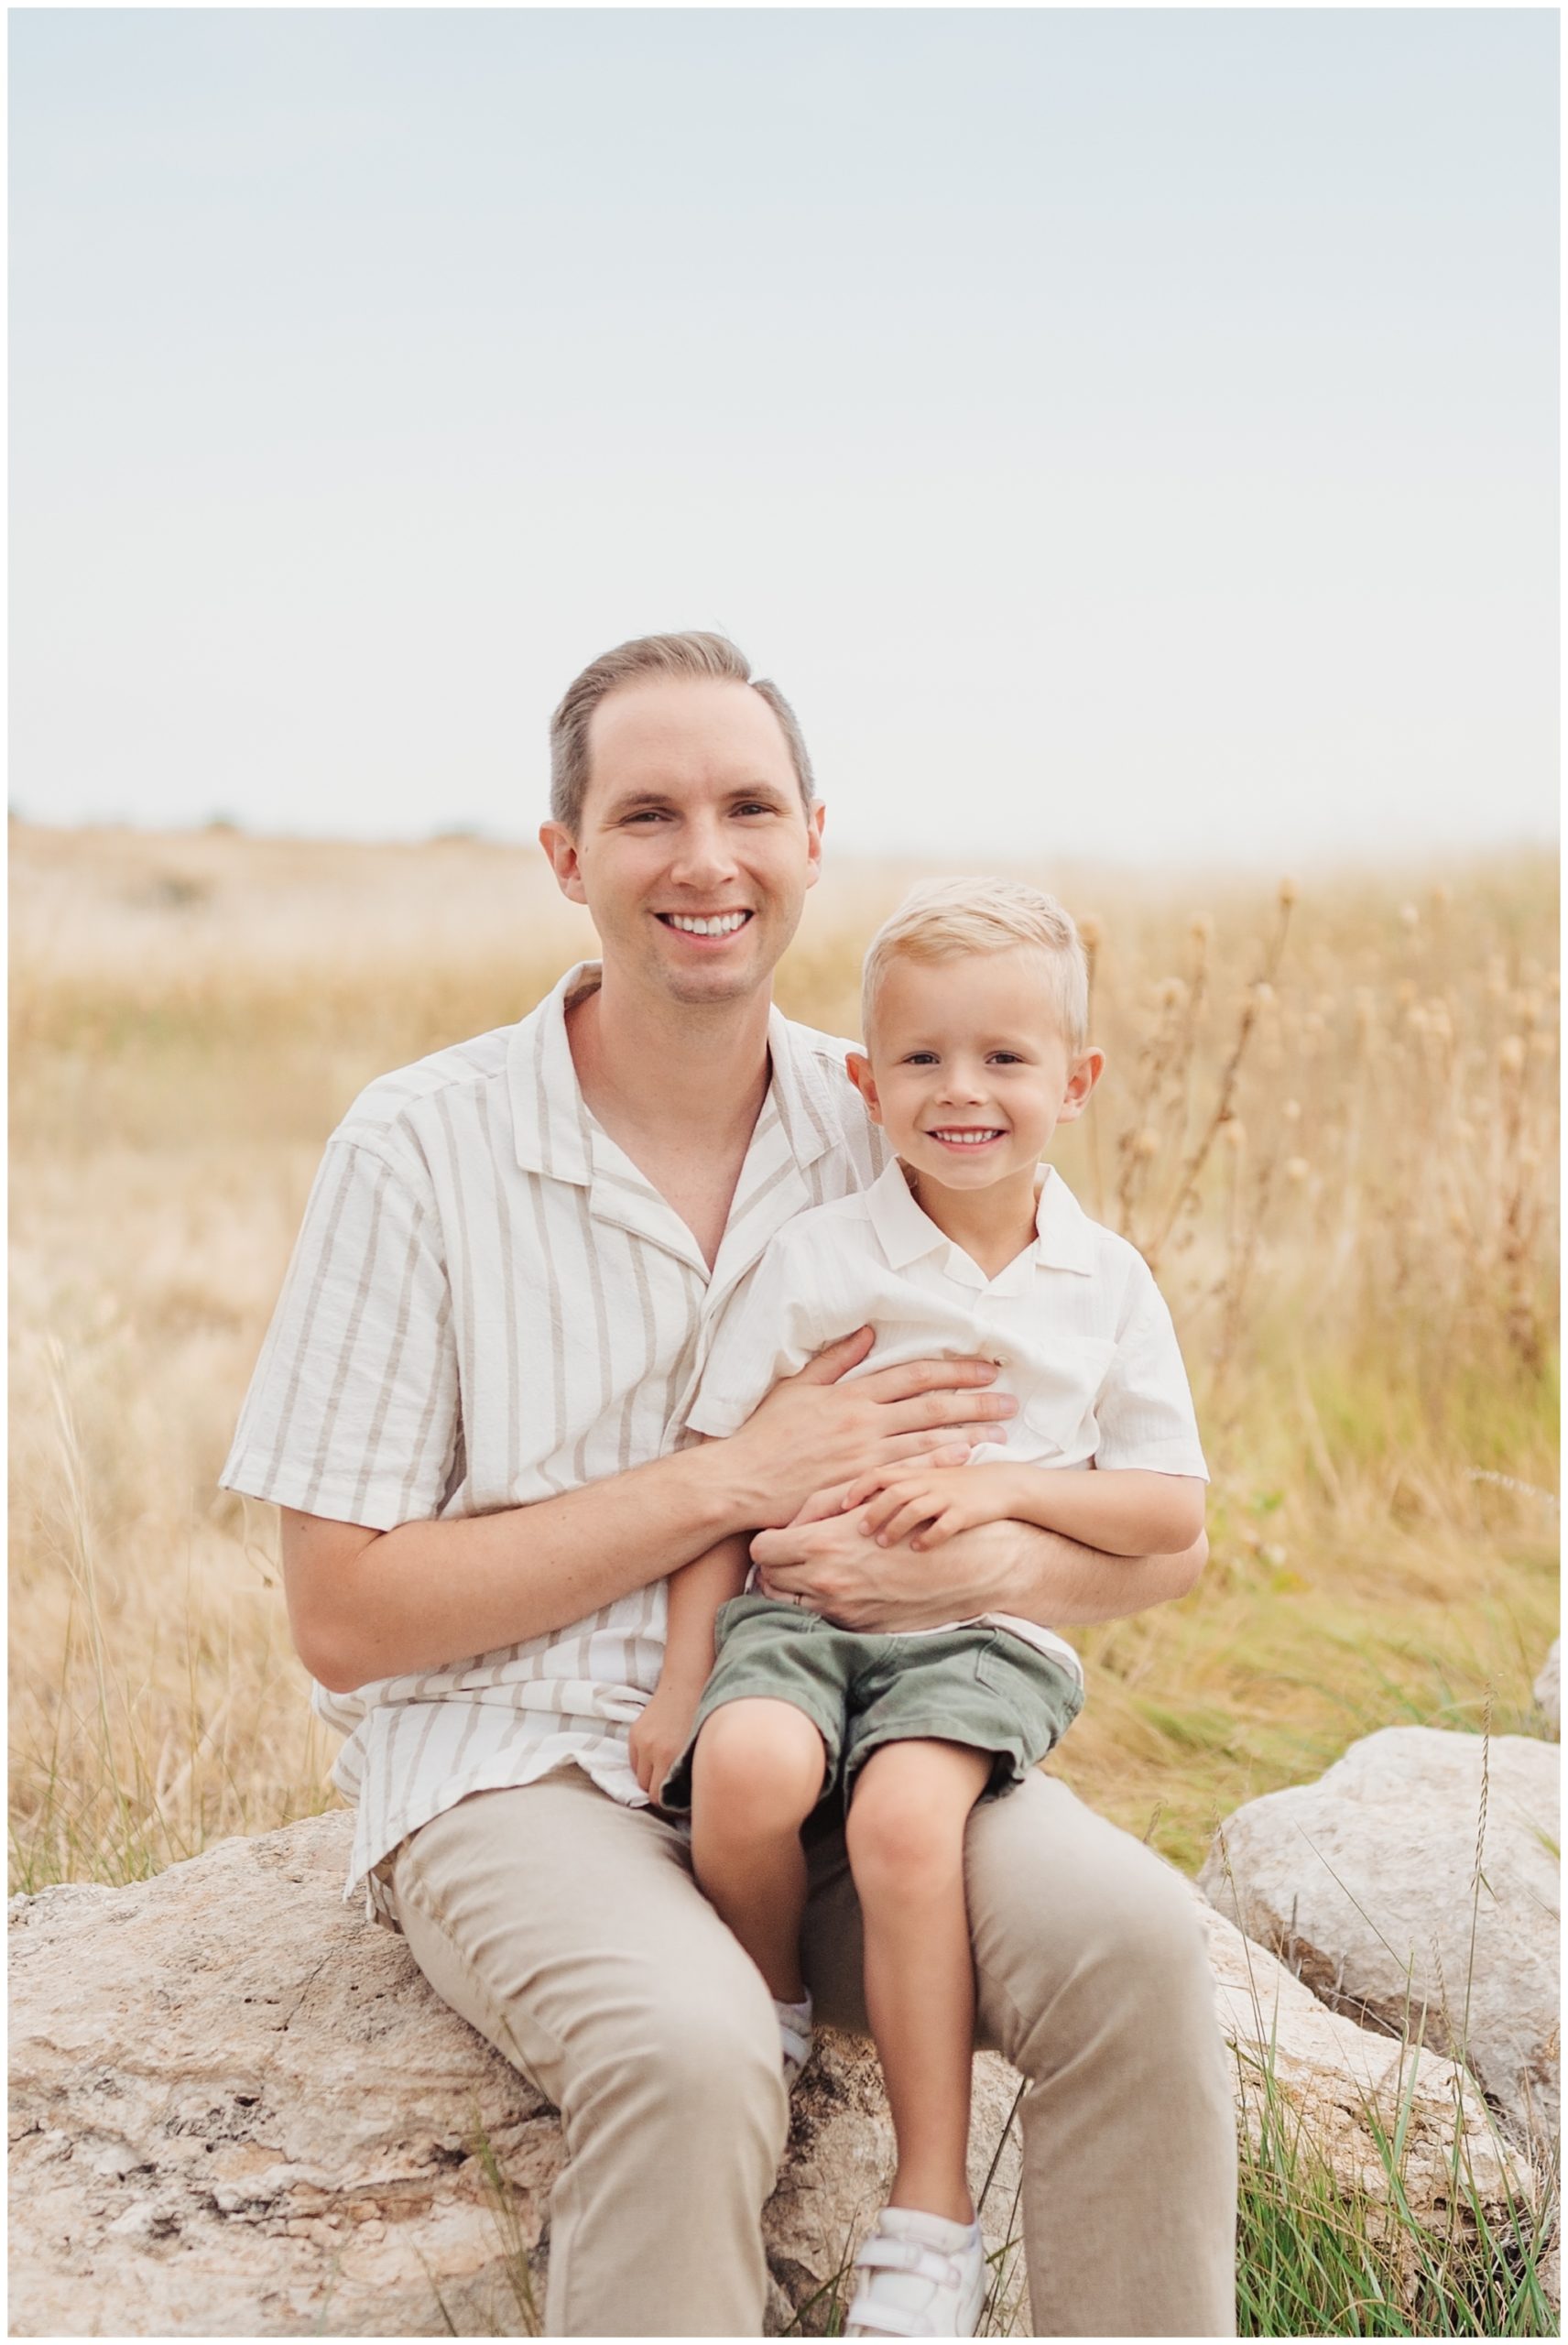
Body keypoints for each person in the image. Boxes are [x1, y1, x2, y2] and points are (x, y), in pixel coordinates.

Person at [222, 630, 1236, 2339]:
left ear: (814, 839)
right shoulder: (420, 1146)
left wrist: (972, 1565)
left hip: (864, 1728)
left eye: (750, 806)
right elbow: (344, 1619)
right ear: (567, 859)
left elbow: (1140, 1539)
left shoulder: (906, 1102)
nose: (708, 859)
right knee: (692, 2047)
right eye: (647, 815)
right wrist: (729, 1484)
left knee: (1137, 1948)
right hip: (526, 1757)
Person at [640, 877, 1209, 2338]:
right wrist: (679, 1680)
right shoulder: (824, 1260)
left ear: (1076, 1082)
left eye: (1007, 1059)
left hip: (981, 1640)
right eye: (923, 1061)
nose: (963, 1093)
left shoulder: (1106, 1287)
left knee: (905, 1824)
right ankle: (766, 2016)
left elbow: (1170, 1517)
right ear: (864, 1082)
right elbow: (719, 1474)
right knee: (750, 1771)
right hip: (802, 1615)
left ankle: (932, 2208)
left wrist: (1012, 1498)